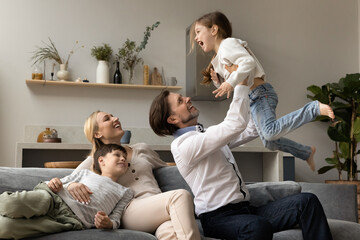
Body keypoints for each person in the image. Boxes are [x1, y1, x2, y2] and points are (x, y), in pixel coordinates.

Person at [148, 82, 333, 239]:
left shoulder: (206, 135)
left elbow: (250, 129)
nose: (187, 99)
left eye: (183, 97)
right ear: (172, 118)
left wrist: (258, 95)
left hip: (245, 211)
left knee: (307, 202)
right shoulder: (183, 146)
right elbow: (233, 124)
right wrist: (241, 83)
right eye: (180, 101)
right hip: (218, 218)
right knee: (257, 227)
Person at [189, 11, 335, 171]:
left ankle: (312, 109)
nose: (196, 38)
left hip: (260, 94)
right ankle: (305, 152)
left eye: (198, 32)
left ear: (214, 30)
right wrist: (219, 83)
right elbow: (233, 85)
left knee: (270, 133)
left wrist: (229, 81)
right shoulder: (217, 59)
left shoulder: (227, 45)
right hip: (252, 99)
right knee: (269, 141)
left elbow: (248, 62)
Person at [70, 111, 201, 240]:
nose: (115, 118)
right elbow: (69, 181)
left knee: (171, 233)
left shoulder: (142, 149)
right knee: (180, 196)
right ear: (97, 133)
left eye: (113, 115)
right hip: (130, 210)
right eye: (107, 119)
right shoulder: (97, 160)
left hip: (159, 205)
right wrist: (72, 185)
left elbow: (168, 169)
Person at [0, 143, 133, 239]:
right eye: (117, 155)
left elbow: (116, 217)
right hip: (53, 198)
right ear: (101, 160)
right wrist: (54, 183)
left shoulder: (126, 192)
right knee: (11, 205)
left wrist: (109, 224)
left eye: (125, 158)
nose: (122, 159)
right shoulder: (85, 173)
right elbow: (59, 182)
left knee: (6, 228)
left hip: (70, 221)